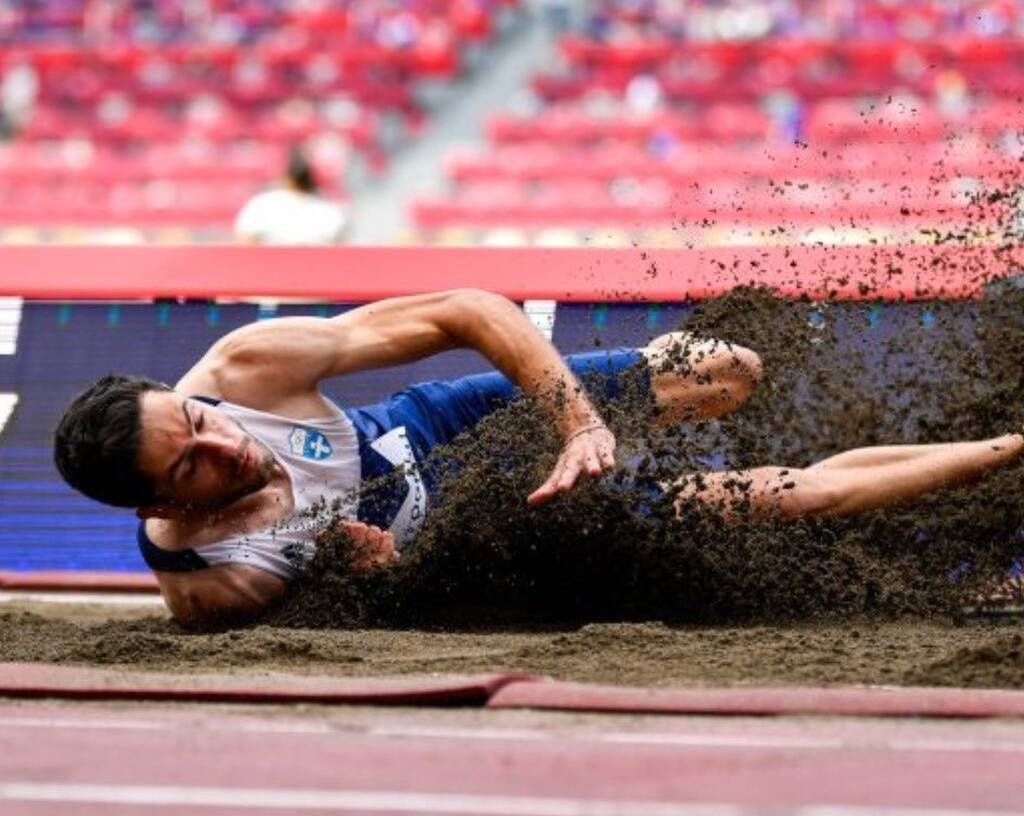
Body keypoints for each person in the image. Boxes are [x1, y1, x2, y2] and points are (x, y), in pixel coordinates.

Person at [54, 289, 1021, 627]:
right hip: (484, 535)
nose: (222, 442)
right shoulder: (215, 581)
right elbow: (372, 628)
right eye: (190, 466)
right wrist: (394, 580)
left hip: (430, 428)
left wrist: (575, 424)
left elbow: (471, 308)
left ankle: (624, 438)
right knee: (783, 506)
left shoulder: (245, 368)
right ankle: (1004, 452)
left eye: (198, 419)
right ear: (159, 505)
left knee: (728, 370)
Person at [233, 149, 348, 245]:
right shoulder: (328, 210)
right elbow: (341, 249)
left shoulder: (262, 205)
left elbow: (244, 242)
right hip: (313, 268)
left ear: (286, 177)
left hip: (272, 268)